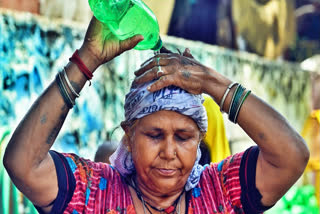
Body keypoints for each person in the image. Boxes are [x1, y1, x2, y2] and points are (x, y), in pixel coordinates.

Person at [3, 17, 309, 214]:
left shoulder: (218, 192)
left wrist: (212, 83)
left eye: (184, 136)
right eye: (154, 134)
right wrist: (87, 60)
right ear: (129, 136)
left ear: (199, 139)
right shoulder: (95, 193)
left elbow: (292, 156)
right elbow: (22, 164)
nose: (169, 152)